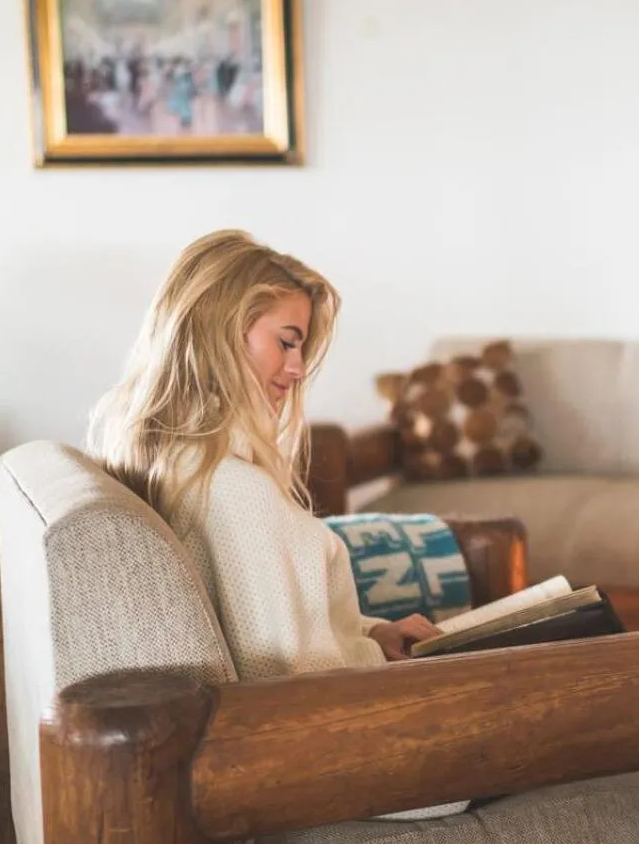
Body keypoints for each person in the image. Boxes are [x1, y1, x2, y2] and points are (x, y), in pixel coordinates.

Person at [86, 230, 443, 677]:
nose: (297, 369)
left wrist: (372, 634)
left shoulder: (176, 455)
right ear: (224, 331)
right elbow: (288, 672)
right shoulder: (234, 488)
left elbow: (280, 629)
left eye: (301, 348)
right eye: (287, 342)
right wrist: (379, 656)